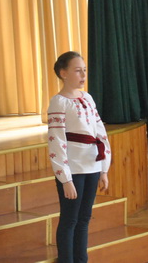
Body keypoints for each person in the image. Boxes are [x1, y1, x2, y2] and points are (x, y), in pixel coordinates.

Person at [47, 51, 111, 263]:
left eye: (84, 70)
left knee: (84, 218)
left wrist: (103, 169)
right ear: (63, 73)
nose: (83, 75)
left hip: (92, 165)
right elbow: (56, 141)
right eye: (77, 70)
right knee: (70, 220)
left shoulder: (87, 98)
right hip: (73, 170)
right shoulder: (59, 102)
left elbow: (100, 132)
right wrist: (65, 179)